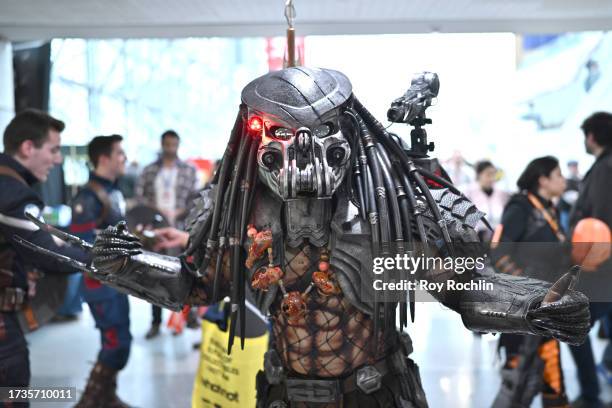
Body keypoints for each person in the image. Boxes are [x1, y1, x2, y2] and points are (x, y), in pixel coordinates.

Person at [32, 67, 590, 407]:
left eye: (318, 134)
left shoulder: (380, 207)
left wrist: (533, 305)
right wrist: (119, 265)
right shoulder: (240, 208)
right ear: (257, 133)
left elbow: (457, 286)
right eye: (281, 134)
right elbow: (195, 285)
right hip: (282, 394)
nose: (301, 153)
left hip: (378, 393)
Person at [0, 109, 90, 405]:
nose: (58, 159)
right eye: (53, 149)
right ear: (28, 147)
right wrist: (105, 261)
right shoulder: (12, 192)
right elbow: (49, 253)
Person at [491, 156, 570, 408]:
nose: (563, 179)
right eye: (558, 174)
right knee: (517, 379)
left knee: (552, 376)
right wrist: (528, 292)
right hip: (521, 311)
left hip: (548, 310)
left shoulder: (550, 209)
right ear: (543, 180)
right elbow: (498, 253)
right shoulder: (520, 207)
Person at [68, 135, 131, 408]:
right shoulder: (88, 197)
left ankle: (106, 396)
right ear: (104, 158)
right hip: (100, 284)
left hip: (118, 281)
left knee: (121, 340)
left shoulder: (113, 192)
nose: (124, 158)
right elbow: (81, 246)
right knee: (116, 343)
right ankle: (90, 400)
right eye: (119, 153)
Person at [136, 130, 198, 339]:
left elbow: (195, 200)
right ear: (162, 144)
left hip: (180, 228)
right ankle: (155, 321)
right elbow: (140, 196)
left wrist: (178, 213)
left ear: (178, 145)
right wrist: (155, 211)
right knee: (153, 274)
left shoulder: (188, 171)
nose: (170, 148)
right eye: (167, 144)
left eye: (174, 144)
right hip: (154, 230)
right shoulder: (149, 171)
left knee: (183, 273)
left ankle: (185, 317)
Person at [568, 112, 612, 408]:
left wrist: (591, 263)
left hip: (602, 269)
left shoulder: (604, 169)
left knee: (574, 327)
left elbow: (599, 220)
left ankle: (591, 393)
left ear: (591, 136)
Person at [464, 160, 509, 242]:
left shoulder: (501, 194)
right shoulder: (468, 193)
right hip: (476, 239)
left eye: (493, 174)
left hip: (498, 238)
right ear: (479, 175)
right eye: (488, 174)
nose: (492, 178)